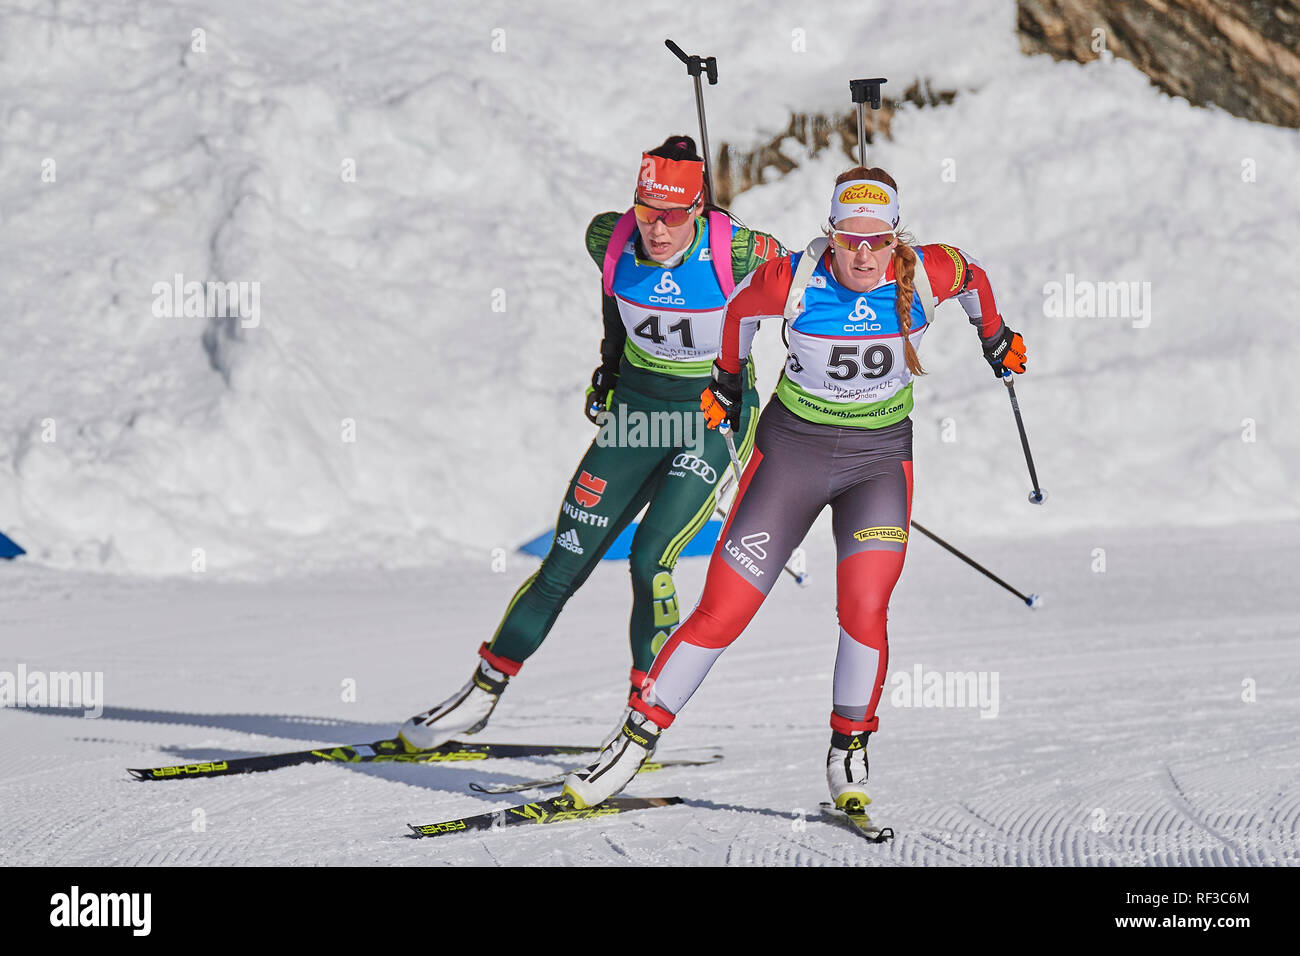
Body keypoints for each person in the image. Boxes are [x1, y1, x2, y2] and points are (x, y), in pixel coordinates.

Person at [563, 165, 1028, 810]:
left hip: (879, 462)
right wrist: (726, 381)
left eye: (878, 240)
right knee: (725, 608)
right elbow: (737, 313)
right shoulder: (795, 278)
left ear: (898, 239)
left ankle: (849, 747)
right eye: (848, 238)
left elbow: (973, 276)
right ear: (829, 235)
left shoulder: (928, 273)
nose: (862, 253)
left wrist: (995, 336)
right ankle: (634, 741)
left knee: (864, 605)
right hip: (791, 456)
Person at [399, 136, 787, 751]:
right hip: (635, 418)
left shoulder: (739, 250)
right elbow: (613, 306)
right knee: (563, 563)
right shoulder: (607, 239)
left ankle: (642, 720)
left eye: (672, 215)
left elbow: (817, 284)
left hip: (708, 422)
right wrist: (606, 373)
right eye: (645, 210)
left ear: (697, 210)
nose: (656, 229)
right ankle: (480, 693)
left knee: (649, 559)